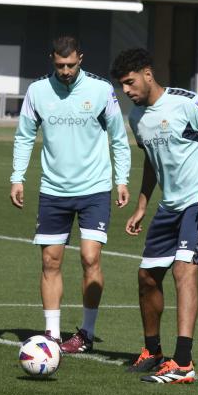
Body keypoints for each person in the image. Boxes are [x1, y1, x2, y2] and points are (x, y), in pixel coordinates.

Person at [110, 48, 198, 383]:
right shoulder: (136, 118)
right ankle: (153, 351)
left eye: (130, 82)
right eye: (122, 85)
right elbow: (152, 162)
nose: (126, 90)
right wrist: (141, 205)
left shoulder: (187, 102)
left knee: (184, 270)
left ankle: (183, 363)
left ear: (147, 74)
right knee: (147, 277)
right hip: (170, 206)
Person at [10, 36, 131, 354]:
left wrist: (122, 180)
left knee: (90, 257)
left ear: (81, 58)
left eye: (71, 65)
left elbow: (119, 138)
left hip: (95, 189)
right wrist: (17, 178)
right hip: (53, 191)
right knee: (50, 261)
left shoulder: (101, 90)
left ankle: (86, 334)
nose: (65, 71)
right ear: (52, 59)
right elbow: (24, 136)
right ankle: (51, 335)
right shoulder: (37, 91)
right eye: (60, 65)